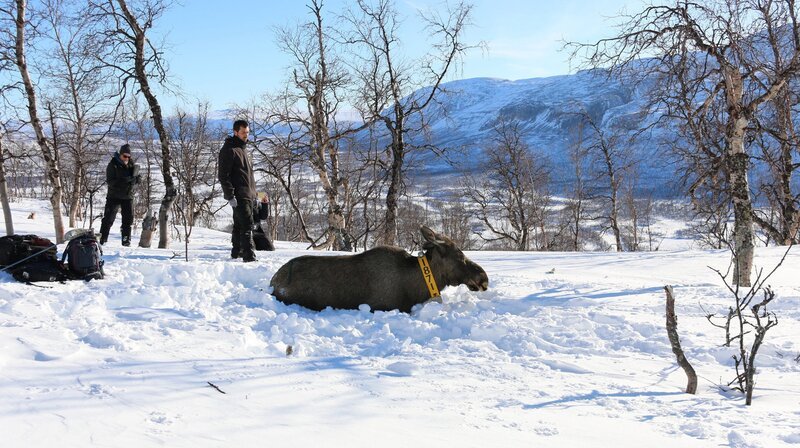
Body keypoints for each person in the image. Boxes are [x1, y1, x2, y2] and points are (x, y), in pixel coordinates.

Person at [218, 120, 258, 262]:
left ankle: (236, 253)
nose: (246, 135)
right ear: (235, 132)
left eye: (247, 132)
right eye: (243, 133)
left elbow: (247, 175)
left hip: (248, 194)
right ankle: (249, 256)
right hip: (239, 195)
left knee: (239, 225)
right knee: (247, 224)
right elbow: (223, 175)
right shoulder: (229, 150)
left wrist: (254, 195)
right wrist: (230, 196)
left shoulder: (243, 149)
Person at [100, 144, 140, 246]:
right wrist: (124, 181)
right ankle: (102, 239)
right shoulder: (113, 164)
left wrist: (137, 180)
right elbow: (110, 182)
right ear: (120, 154)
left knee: (128, 219)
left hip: (127, 196)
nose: (126, 158)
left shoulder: (131, 165)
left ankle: (126, 240)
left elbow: (135, 178)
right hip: (114, 196)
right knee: (108, 219)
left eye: (128, 156)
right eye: (124, 156)